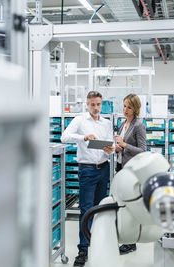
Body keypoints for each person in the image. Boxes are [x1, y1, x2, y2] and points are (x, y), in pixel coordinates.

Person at [61, 91, 114, 267]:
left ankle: (97, 245)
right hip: (87, 171)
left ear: (101, 104)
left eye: (98, 104)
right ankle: (83, 250)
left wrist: (110, 149)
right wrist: (84, 137)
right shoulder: (80, 120)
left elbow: (110, 143)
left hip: (103, 169)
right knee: (86, 210)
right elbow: (64, 136)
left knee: (100, 211)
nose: (96, 107)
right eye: (92, 104)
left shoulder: (106, 123)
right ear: (87, 104)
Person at [115, 93, 146, 254]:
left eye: (129, 107)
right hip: (120, 167)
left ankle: (131, 242)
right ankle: (126, 237)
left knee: (130, 206)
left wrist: (125, 145)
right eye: (124, 105)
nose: (125, 109)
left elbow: (143, 150)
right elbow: (120, 145)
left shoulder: (138, 125)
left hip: (131, 172)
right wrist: (117, 147)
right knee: (122, 205)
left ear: (135, 109)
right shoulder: (122, 123)